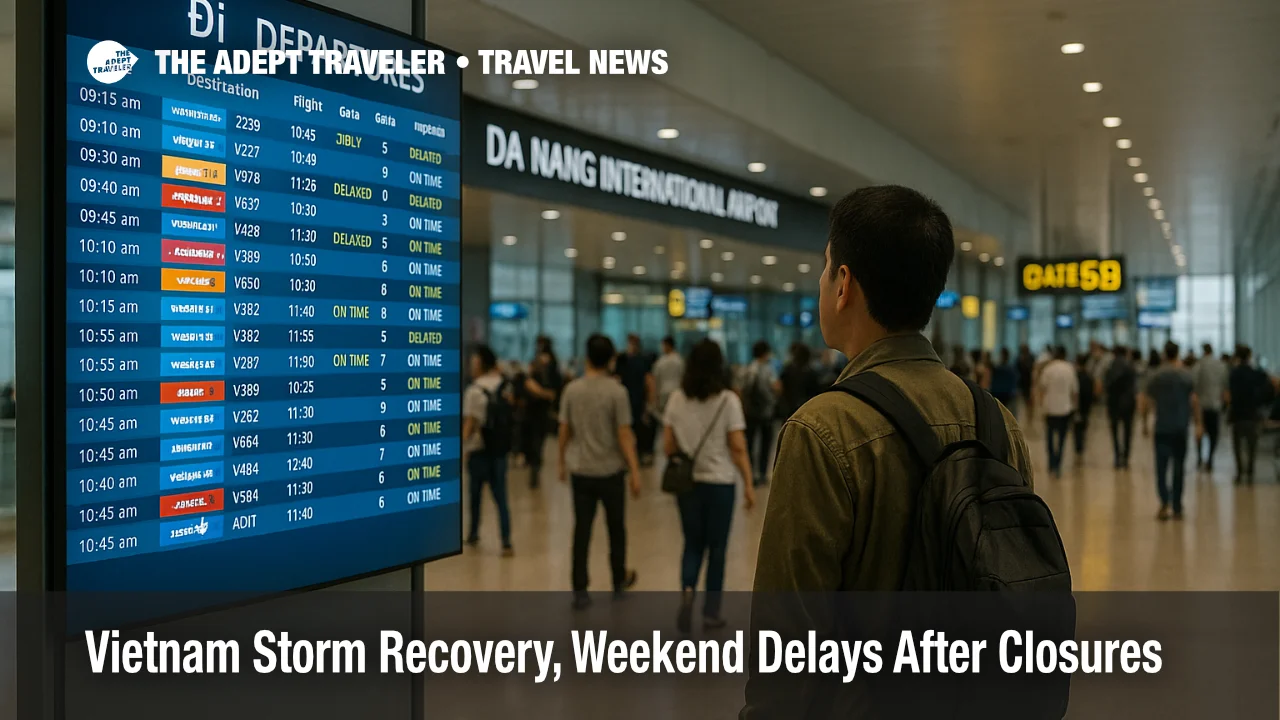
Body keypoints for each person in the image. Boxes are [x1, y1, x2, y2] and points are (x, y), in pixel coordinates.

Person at [749, 186, 1034, 612]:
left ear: (843, 284)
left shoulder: (822, 430)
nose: (822, 284)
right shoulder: (997, 421)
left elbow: (788, 636)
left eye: (826, 269)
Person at [663, 340, 756, 631]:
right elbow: (738, 447)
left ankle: (688, 590)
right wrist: (749, 485)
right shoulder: (729, 400)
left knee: (692, 544)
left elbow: (668, 446)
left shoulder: (677, 399)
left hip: (689, 484)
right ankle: (711, 612)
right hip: (720, 484)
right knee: (717, 549)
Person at [558, 334, 642, 609]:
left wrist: (561, 461)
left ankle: (580, 589)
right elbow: (624, 434)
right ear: (610, 360)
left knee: (582, 531)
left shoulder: (572, 390)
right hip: (610, 472)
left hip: (581, 471)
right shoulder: (617, 392)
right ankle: (618, 582)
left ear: (587, 357)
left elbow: (564, 430)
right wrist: (635, 470)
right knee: (616, 529)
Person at [1139, 342, 1202, 521]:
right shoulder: (1186, 376)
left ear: (1165, 354)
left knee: (1161, 467)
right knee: (1179, 467)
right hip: (1180, 427)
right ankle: (1177, 505)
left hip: (1162, 427)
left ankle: (1164, 502)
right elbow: (1194, 400)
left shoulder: (1157, 375)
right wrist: (1198, 423)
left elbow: (1146, 400)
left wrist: (1144, 423)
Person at [461, 344, 514, 555]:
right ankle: (507, 540)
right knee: (501, 497)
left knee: (475, 495)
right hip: (499, 450)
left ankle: (473, 533)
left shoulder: (474, 390)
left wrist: (462, 446)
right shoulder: (504, 386)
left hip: (478, 450)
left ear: (481, 363)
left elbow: (470, 423)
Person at [1226, 345, 1271, 485]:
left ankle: (1240, 473)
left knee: (1238, 445)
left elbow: (1229, 393)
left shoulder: (1234, 373)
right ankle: (1250, 472)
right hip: (1252, 413)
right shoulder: (1255, 373)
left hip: (1238, 413)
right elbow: (1267, 385)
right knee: (1252, 445)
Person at [740, 340, 779, 486]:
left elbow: (742, 389)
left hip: (750, 412)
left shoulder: (749, 368)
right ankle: (762, 473)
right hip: (766, 412)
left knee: (750, 443)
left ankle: (751, 474)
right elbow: (775, 387)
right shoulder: (768, 369)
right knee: (765, 443)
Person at [615, 334, 656, 465]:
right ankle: (632, 456)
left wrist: (650, 402)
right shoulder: (623, 360)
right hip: (629, 400)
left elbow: (649, 382)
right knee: (629, 429)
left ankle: (633, 457)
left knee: (636, 430)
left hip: (637, 401)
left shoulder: (640, 361)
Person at [1037, 346, 1078, 478]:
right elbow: (1074, 391)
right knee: (1061, 438)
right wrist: (1075, 407)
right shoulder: (1070, 368)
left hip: (1050, 407)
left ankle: (1051, 463)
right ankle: (1058, 464)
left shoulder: (1048, 369)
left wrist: (1041, 405)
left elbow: (1042, 388)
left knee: (1049, 436)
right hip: (1065, 408)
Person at [520, 352, 559, 488]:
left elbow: (551, 394)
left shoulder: (546, 378)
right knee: (535, 445)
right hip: (533, 417)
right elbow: (542, 392)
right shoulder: (531, 379)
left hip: (540, 417)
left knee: (538, 445)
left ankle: (535, 469)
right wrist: (545, 394)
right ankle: (534, 471)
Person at [1192, 343, 1229, 472]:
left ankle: (1199, 457)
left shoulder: (1198, 366)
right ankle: (1210, 459)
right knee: (1214, 434)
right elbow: (1225, 387)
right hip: (1215, 405)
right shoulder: (1221, 365)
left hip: (1201, 406)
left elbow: (1194, 387)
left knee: (1199, 433)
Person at [1105, 345, 1138, 469]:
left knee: (1114, 430)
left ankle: (1117, 456)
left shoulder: (1111, 366)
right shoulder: (1130, 366)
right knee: (1128, 431)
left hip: (1114, 402)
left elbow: (1107, 383)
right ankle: (1126, 456)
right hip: (1128, 402)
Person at [777, 342, 822, 421]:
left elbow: (780, 388)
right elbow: (816, 393)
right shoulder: (812, 373)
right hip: (807, 410)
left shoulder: (787, 370)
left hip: (789, 409)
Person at [651, 336, 685, 417]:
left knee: (665, 417)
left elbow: (656, 380)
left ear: (667, 345)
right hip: (677, 391)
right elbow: (683, 377)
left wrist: (655, 398)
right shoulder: (680, 360)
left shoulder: (660, 362)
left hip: (663, 392)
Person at [1073, 353, 1096, 455]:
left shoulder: (1075, 376)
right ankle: (1080, 447)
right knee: (1083, 427)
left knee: (1077, 428)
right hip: (1085, 407)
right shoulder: (1089, 377)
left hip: (1077, 406)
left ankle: (1078, 448)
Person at [1016, 344, 1035, 413]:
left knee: (1029, 399)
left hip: (1029, 381)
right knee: (1024, 399)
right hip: (1022, 382)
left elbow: (1032, 369)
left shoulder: (1031, 358)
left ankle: (1029, 412)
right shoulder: (1019, 358)